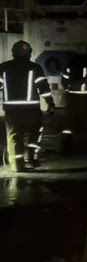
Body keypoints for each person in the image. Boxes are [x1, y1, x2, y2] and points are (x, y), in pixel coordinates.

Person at [0, 41, 55, 172]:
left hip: (12, 110)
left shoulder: (3, 67)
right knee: (34, 134)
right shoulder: (35, 68)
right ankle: (31, 158)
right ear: (29, 53)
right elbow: (44, 88)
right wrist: (50, 103)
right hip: (31, 110)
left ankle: (17, 165)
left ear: (13, 52)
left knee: (14, 136)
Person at [60, 53, 87, 156]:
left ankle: (65, 149)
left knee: (69, 124)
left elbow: (64, 80)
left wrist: (69, 89)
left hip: (71, 98)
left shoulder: (70, 65)